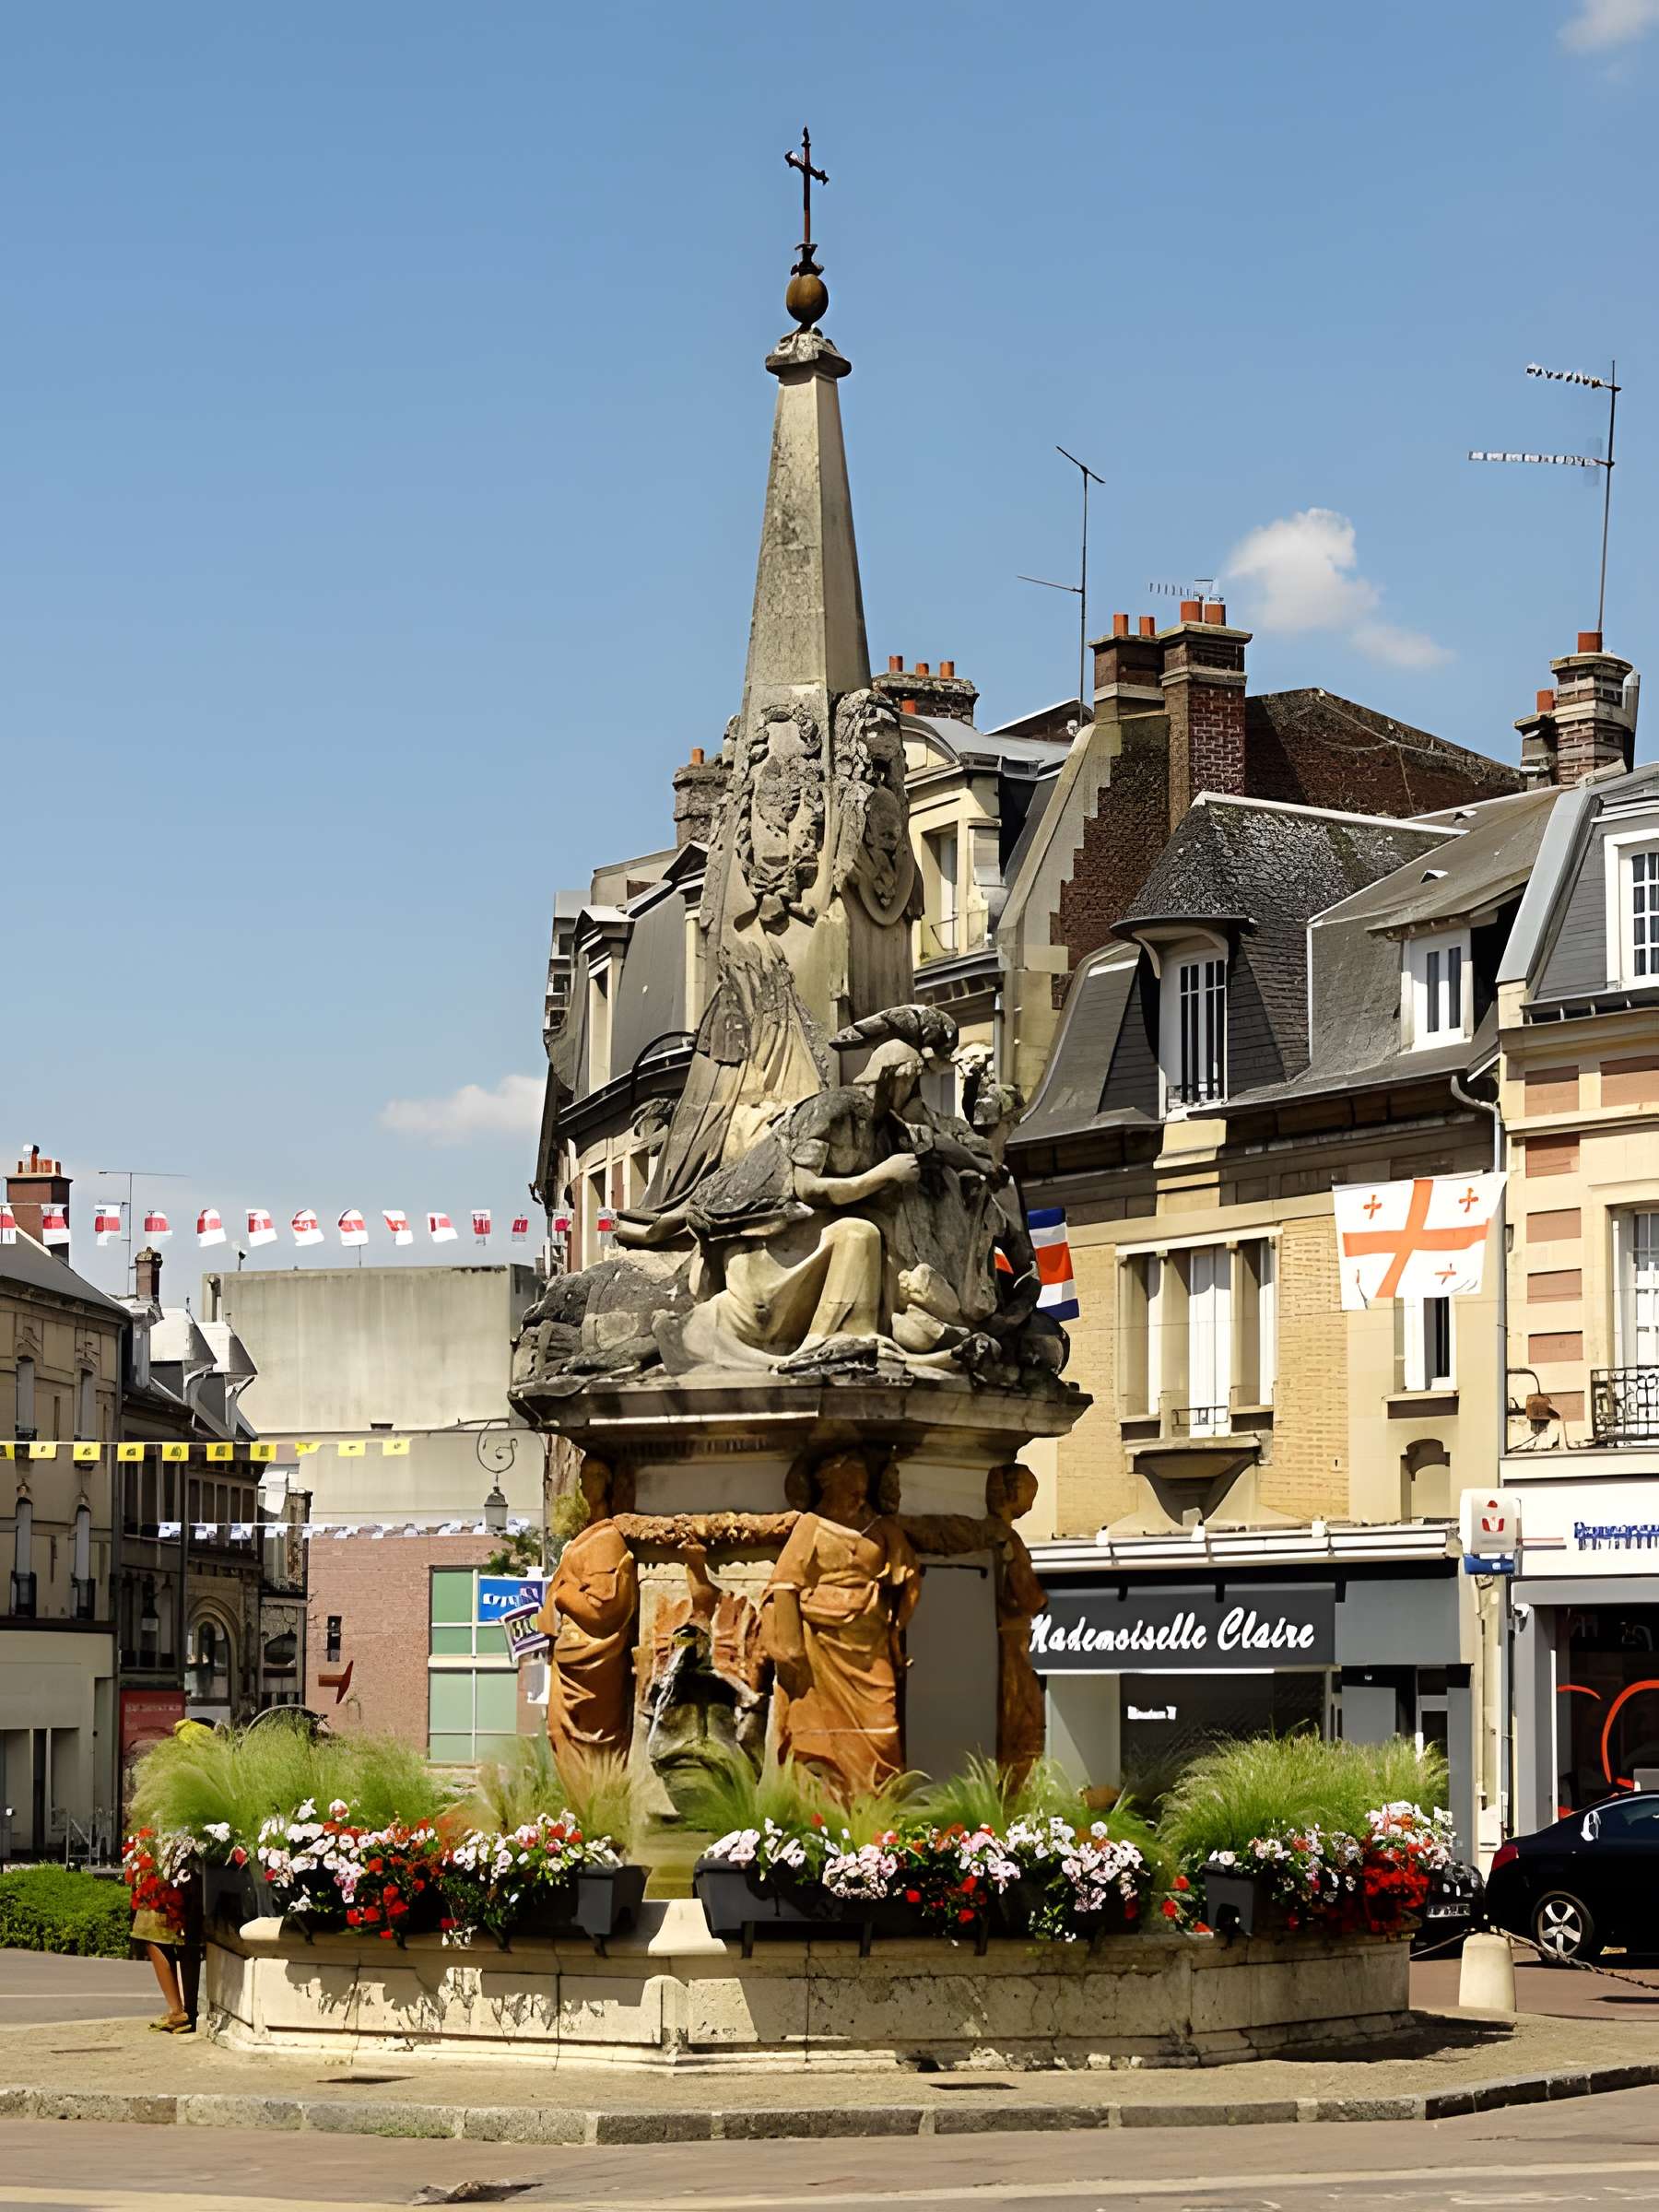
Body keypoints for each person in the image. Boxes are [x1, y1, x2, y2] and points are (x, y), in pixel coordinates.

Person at [760, 1454, 920, 1799]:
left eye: (862, 1490)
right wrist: (792, 1651)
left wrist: (897, 1627)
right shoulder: (812, 1527)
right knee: (818, 1733)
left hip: (870, 1643)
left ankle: (879, 1809)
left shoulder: (880, 1530)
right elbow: (784, 1585)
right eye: (851, 1490)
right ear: (828, 1487)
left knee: (884, 1730)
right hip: (821, 1648)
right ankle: (826, 1808)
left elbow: (908, 1575)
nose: (859, 1497)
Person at [535, 1456, 639, 1765]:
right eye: (581, 1477)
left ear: (605, 1482)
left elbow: (602, 1610)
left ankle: (595, 1806)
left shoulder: (606, 1539)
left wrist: (562, 1594)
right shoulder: (590, 1533)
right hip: (571, 1660)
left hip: (589, 1668)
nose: (582, 1484)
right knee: (558, 1735)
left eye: (590, 1476)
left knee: (578, 1743)